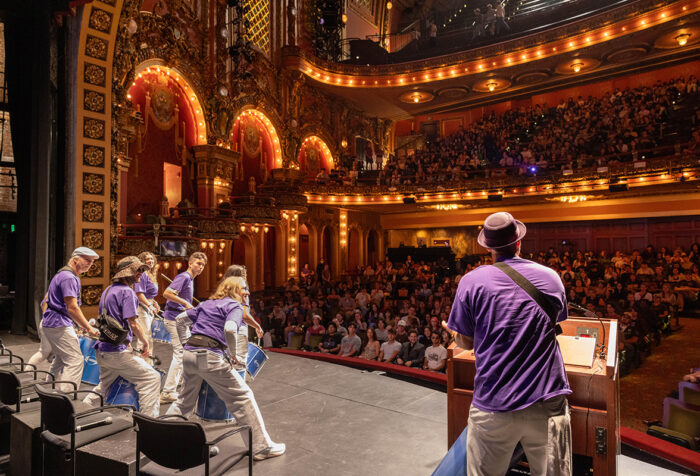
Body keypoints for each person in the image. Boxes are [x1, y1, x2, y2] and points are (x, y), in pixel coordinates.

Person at [445, 212, 572, 475]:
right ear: (518, 243)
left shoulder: (470, 281)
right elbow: (553, 324)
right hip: (546, 401)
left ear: (488, 247)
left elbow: (466, 342)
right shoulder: (551, 277)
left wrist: (453, 334)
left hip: (494, 402)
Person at [166, 276, 285, 460]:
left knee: (184, 400)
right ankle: (261, 447)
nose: (247, 292)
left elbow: (181, 320)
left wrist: (185, 344)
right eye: (244, 288)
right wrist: (233, 355)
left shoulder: (207, 304)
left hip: (190, 355)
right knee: (242, 397)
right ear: (235, 289)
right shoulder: (234, 306)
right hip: (210, 356)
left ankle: (162, 437)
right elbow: (230, 329)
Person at [83, 256, 161, 417]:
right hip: (116, 352)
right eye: (137, 270)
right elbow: (133, 323)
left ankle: (81, 410)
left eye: (142, 270)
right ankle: (149, 422)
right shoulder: (127, 292)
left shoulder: (107, 290)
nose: (141, 273)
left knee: (104, 385)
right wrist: (145, 342)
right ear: (127, 272)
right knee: (151, 378)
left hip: (102, 350)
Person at [41, 247, 101, 391]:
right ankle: (65, 400)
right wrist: (88, 327)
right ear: (75, 259)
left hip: (52, 323)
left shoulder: (62, 273)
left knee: (61, 359)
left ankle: (48, 390)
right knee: (75, 360)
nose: (90, 264)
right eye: (87, 260)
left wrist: (74, 323)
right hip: (58, 324)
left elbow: (45, 301)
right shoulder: (69, 277)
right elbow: (72, 307)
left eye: (92, 262)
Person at [160, 251, 207, 403]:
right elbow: (166, 293)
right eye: (198, 264)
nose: (201, 267)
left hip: (178, 320)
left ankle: (178, 380)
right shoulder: (184, 277)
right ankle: (167, 391)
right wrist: (185, 303)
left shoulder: (189, 279)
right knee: (180, 354)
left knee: (185, 352)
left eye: (203, 265)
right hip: (174, 319)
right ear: (190, 263)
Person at [133, 252, 160, 360]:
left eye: (152, 259)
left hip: (147, 307)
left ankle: (147, 364)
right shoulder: (142, 273)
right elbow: (139, 294)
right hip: (142, 308)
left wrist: (154, 303)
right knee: (144, 338)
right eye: (147, 259)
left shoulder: (150, 274)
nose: (150, 261)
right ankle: (141, 365)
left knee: (147, 337)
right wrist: (150, 305)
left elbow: (148, 294)